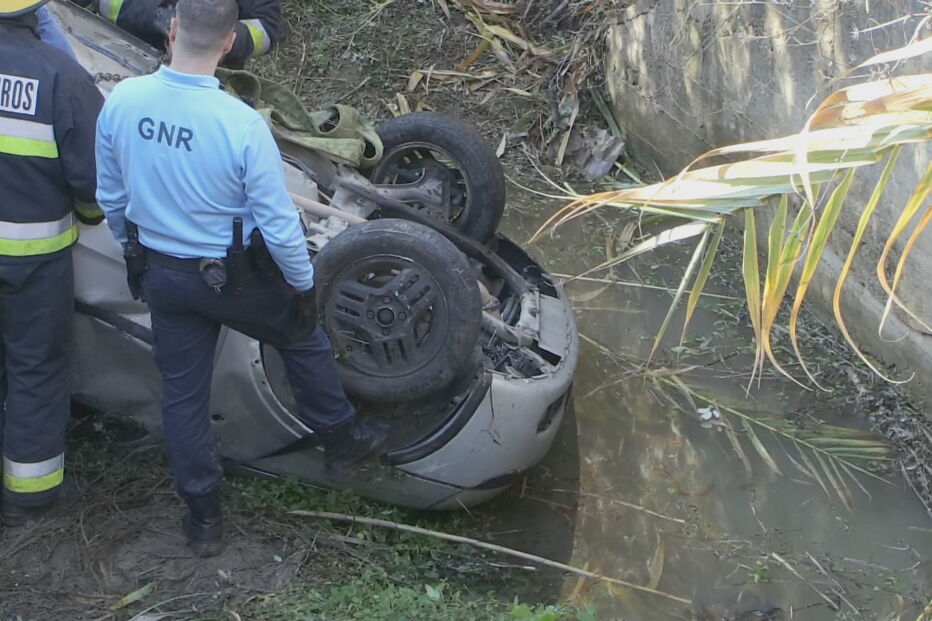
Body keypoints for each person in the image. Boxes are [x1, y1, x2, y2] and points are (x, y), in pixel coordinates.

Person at [94, 0, 390, 558]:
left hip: (160, 274)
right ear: (230, 43)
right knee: (301, 335)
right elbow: (278, 224)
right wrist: (302, 286)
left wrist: (132, 247)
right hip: (232, 279)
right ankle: (342, 436)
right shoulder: (241, 124)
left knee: (182, 396)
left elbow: (111, 194)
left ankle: (203, 518)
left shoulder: (124, 101)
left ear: (173, 28)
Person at [0, 0, 104, 526]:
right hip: (31, 265)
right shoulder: (60, 75)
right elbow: (92, 180)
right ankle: (29, 497)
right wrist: (86, 214)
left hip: (30, 261)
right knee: (33, 369)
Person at [82, 0, 280, 68]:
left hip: (204, 72)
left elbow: (265, 30)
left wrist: (211, 32)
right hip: (115, 49)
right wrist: (156, 17)